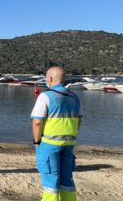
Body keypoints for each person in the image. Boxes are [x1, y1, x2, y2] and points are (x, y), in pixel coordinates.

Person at [31, 66, 82, 201]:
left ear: (50, 79)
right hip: (69, 143)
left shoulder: (45, 96)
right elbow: (79, 119)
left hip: (49, 143)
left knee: (50, 181)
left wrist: (36, 142)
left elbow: (37, 122)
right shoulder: (75, 97)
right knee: (67, 180)